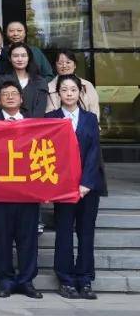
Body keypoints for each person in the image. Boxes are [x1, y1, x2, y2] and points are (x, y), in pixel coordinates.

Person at [49, 74, 106, 300]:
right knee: (64, 232)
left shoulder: (90, 118)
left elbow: (94, 152)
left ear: (80, 92)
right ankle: (65, 279)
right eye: (64, 90)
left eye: (73, 89)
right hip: (63, 188)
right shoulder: (50, 118)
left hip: (88, 187)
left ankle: (85, 278)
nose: (69, 94)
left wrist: (86, 183)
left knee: (86, 232)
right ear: (58, 93)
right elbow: (49, 154)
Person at [0, 79, 42, 299]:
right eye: (5, 94)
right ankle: (6, 280)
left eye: (14, 93)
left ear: (21, 98)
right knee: (3, 239)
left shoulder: (35, 124)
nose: (10, 97)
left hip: (27, 192)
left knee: (28, 239)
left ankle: (27, 281)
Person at [0, 43, 50, 119]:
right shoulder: (0, 80)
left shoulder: (40, 82)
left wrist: (29, 124)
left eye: (23, 56)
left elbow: (40, 110)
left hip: (32, 124)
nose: (20, 59)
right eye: (15, 56)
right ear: (10, 58)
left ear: (29, 58)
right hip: (6, 123)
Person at [46, 49, 100, 119]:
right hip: (58, 125)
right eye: (60, 63)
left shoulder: (86, 85)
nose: (64, 65)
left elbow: (94, 111)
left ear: (75, 65)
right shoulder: (48, 88)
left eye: (68, 62)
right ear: (56, 66)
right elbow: (48, 115)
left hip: (85, 124)